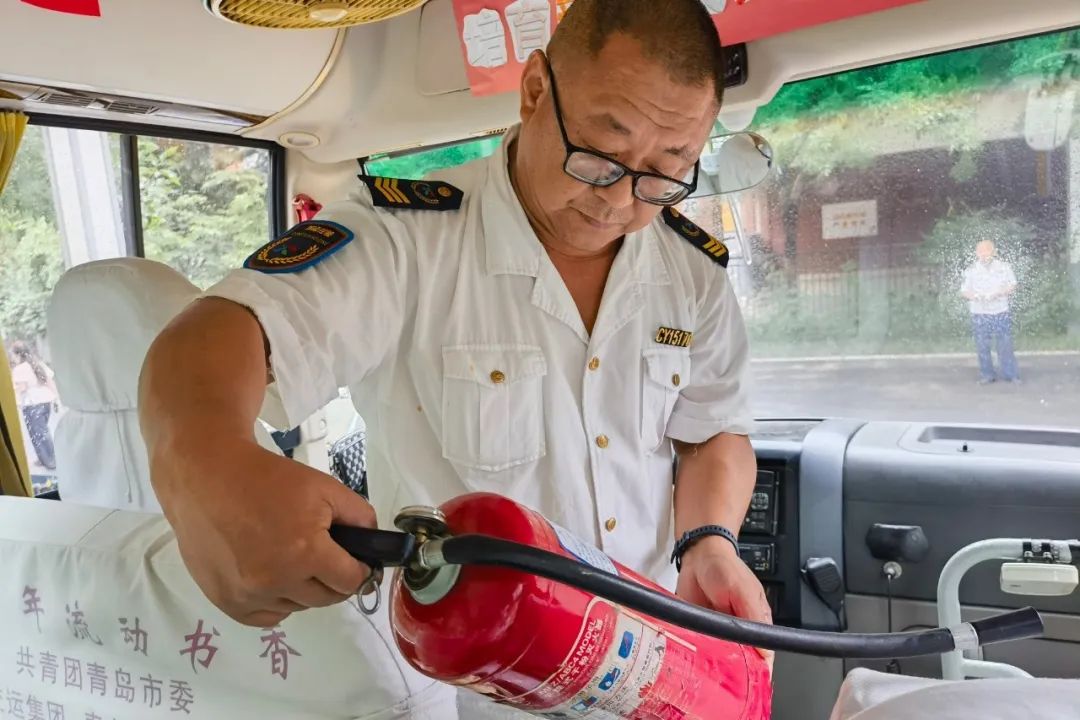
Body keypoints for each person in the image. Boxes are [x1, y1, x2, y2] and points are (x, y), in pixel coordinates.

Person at [139, 0, 770, 711]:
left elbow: (713, 428)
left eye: (664, 172)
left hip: (650, 657)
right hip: (477, 677)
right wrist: (204, 468)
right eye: (601, 155)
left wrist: (709, 542)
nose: (621, 200)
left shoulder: (691, 274)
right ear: (535, 92)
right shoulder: (405, 239)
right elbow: (218, 332)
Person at [960, 241, 1020, 384]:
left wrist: (999, 293)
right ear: (976, 254)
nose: (983, 255)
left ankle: (1010, 374)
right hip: (979, 313)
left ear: (994, 252)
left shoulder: (1004, 267)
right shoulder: (971, 270)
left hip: (1000, 311)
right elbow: (964, 291)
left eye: (987, 251)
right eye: (980, 252)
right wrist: (976, 297)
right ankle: (987, 375)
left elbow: (1013, 285)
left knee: (1005, 344)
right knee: (982, 346)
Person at [9, 340, 58, 471]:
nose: (12, 357)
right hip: (46, 401)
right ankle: (44, 458)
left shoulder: (20, 369)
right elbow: (48, 380)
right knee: (43, 431)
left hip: (33, 404)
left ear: (17, 354)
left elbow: (23, 386)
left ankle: (50, 461)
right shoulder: (37, 363)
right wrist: (55, 398)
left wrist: (12, 393)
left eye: (12, 354)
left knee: (38, 434)